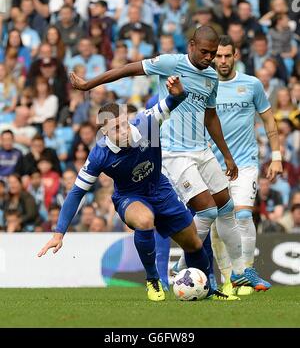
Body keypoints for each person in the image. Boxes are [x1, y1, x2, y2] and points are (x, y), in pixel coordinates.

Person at [69, 25, 272, 293]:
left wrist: (227, 155)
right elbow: (127, 69)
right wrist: (89, 83)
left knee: (226, 207)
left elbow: (211, 117)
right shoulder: (170, 63)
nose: (209, 58)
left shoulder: (211, 77)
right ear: (191, 45)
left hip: (203, 150)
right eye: (205, 52)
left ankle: (240, 272)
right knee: (208, 210)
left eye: (213, 53)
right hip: (175, 153)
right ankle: (184, 261)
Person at [38, 76, 235, 302]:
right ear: (104, 133)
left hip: (161, 189)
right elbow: (76, 193)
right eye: (115, 129)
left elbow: (174, 100)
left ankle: (208, 290)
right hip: (129, 197)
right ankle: (153, 280)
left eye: (124, 124)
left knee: (194, 245)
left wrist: (178, 91)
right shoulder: (99, 155)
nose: (123, 131)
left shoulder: (147, 123)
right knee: (144, 220)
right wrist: (59, 232)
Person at [209, 35, 283, 296]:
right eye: (218, 56)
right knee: (218, 223)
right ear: (212, 57)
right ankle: (231, 279)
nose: (223, 60)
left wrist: (276, 156)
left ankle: (247, 271)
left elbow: (269, 121)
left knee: (241, 215)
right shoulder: (204, 83)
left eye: (227, 55)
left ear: (235, 56)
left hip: (245, 163)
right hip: (212, 165)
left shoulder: (251, 84)